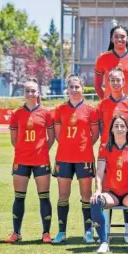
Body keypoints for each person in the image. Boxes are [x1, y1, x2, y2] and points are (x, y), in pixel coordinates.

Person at [51, 75, 100, 244]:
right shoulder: (59, 109)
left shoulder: (90, 110)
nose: (74, 90)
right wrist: (68, 145)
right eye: (71, 87)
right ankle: (61, 232)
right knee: (63, 195)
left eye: (77, 87)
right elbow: (57, 134)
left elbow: (95, 134)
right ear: (67, 89)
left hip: (84, 158)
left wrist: (83, 146)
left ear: (82, 88)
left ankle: (88, 231)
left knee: (86, 195)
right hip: (63, 158)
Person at [5, 78, 55, 243]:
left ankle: (46, 234)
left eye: (33, 91)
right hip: (21, 160)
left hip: (41, 160)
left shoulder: (46, 113)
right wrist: (24, 150)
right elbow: (14, 140)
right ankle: (16, 233)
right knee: (19, 197)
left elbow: (51, 138)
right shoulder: (17, 114)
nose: (31, 94)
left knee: (44, 197)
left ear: (38, 93)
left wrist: (40, 150)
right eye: (27, 91)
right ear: (24, 93)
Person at [96, 68, 128, 242]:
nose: (115, 83)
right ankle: (105, 230)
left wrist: (127, 144)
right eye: (112, 80)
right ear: (108, 82)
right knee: (109, 186)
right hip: (108, 153)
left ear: (124, 81)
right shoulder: (102, 105)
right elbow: (101, 128)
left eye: (118, 80)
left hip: (127, 151)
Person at [89, 115, 128, 254]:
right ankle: (103, 242)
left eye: (122, 126)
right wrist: (97, 191)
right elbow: (100, 171)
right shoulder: (104, 147)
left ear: (127, 129)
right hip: (111, 192)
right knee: (95, 202)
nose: (119, 129)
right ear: (111, 129)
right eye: (116, 126)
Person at [94, 24, 128, 100]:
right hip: (109, 107)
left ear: (127, 38)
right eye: (116, 37)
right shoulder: (102, 58)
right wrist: (106, 100)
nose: (119, 39)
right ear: (111, 39)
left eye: (123, 36)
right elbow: (97, 86)